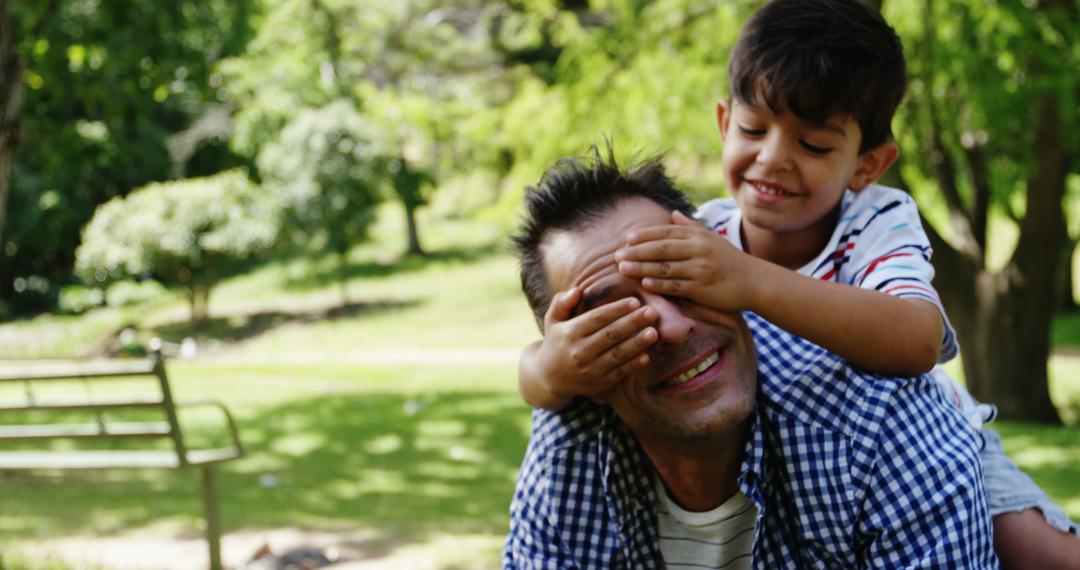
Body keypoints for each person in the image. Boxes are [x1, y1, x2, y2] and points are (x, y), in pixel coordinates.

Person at [515, 0, 1080, 564]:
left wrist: (749, 281)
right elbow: (535, 370)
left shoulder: (877, 224)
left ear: (868, 164)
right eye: (753, 129)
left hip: (936, 441)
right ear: (722, 123)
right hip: (783, 447)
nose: (773, 159)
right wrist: (555, 368)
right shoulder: (698, 229)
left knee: (1042, 554)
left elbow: (917, 342)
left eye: (813, 145)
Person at [503, 150, 996, 568]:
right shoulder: (569, 447)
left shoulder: (876, 426)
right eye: (615, 318)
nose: (671, 329)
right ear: (576, 367)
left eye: (678, 279)